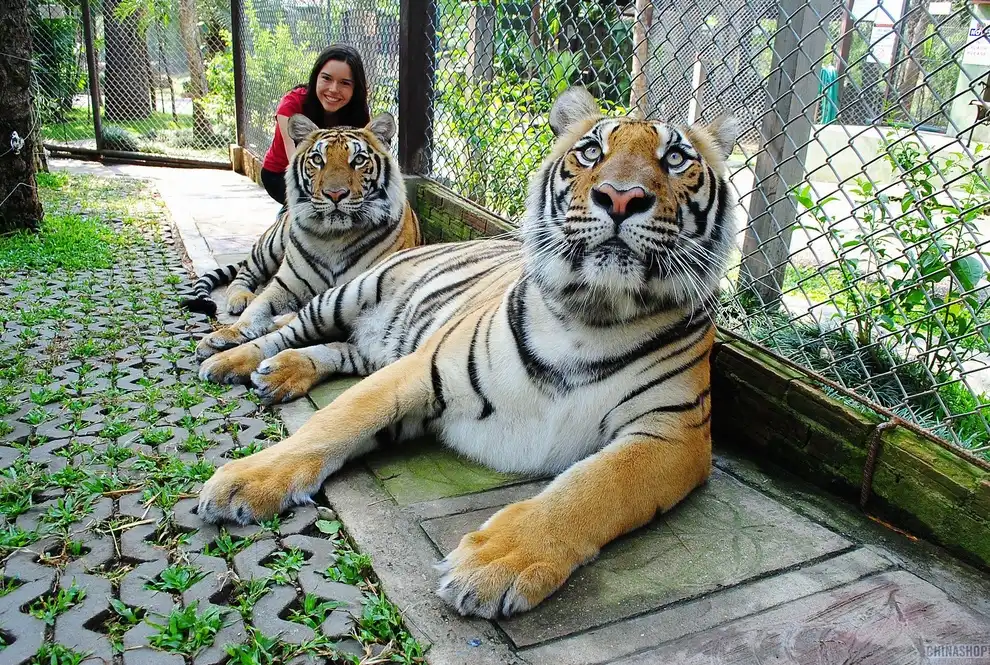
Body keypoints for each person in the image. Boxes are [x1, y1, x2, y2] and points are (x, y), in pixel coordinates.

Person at [260, 45, 371, 205]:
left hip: (336, 177)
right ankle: (286, 215)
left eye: (345, 83)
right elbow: (296, 162)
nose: (334, 89)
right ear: (316, 77)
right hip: (282, 174)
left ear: (355, 88)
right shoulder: (292, 104)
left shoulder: (358, 112)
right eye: (326, 78)